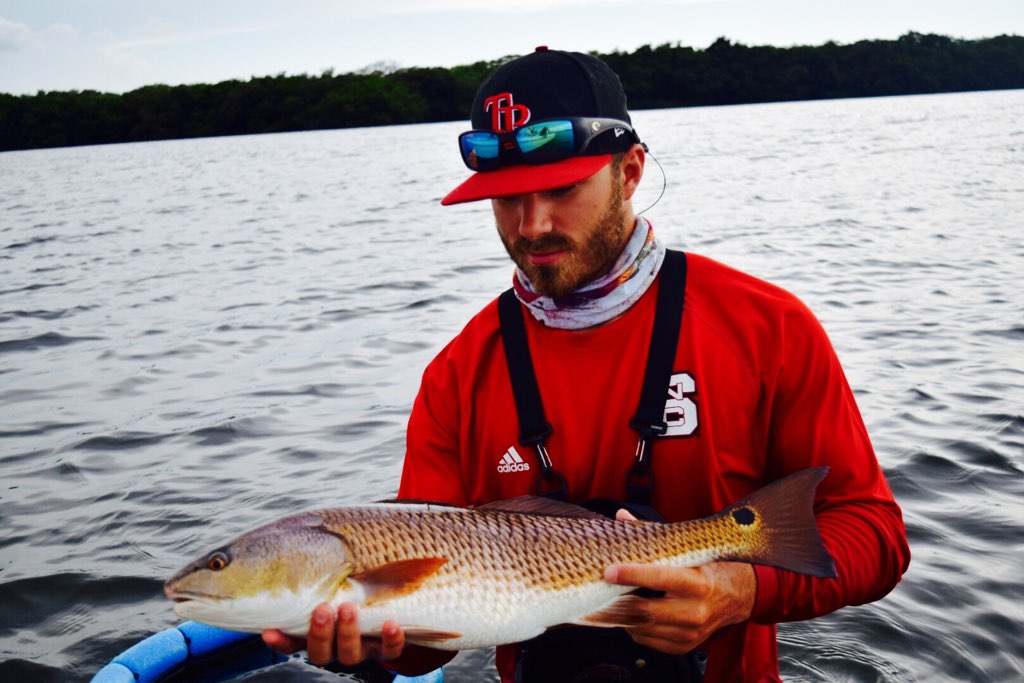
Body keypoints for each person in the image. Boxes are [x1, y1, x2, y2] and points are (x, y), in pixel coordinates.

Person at [264, 46, 911, 682]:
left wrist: (741, 589)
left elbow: (874, 531)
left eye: (561, 188)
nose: (532, 224)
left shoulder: (766, 327)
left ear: (629, 172)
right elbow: (425, 645)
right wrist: (367, 639)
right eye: (506, 197)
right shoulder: (457, 373)